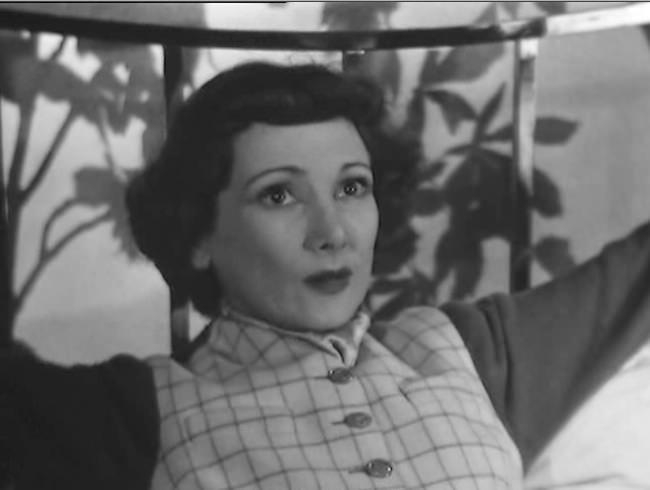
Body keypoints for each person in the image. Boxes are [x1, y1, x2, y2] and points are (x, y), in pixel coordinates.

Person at [2, 61, 650, 490]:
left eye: (352, 187)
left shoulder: (471, 352)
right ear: (199, 234)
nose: (331, 231)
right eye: (279, 195)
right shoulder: (134, 414)